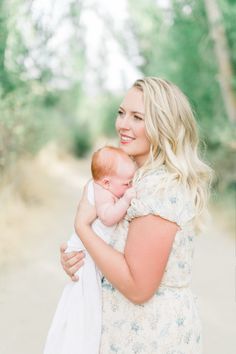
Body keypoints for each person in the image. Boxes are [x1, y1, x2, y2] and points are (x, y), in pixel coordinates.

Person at [60, 77, 212, 353]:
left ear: (162, 125)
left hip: (150, 336)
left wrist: (82, 228)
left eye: (137, 117)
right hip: (125, 332)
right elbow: (116, 252)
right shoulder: (132, 180)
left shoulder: (159, 188)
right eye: (121, 113)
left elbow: (138, 287)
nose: (123, 125)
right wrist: (80, 258)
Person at [44, 146, 136, 354]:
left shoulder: (111, 182)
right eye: (126, 183)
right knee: (86, 308)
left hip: (94, 252)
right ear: (106, 182)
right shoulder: (101, 191)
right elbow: (108, 217)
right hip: (86, 255)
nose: (130, 185)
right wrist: (127, 199)